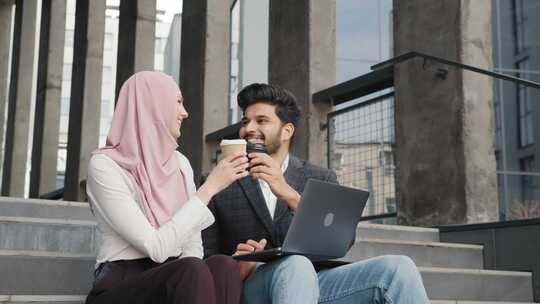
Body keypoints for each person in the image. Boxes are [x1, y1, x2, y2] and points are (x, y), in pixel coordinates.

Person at [202, 83, 430, 304]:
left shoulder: (320, 177)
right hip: (251, 287)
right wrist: (236, 265)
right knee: (295, 265)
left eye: (261, 120)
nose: (248, 128)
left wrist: (289, 194)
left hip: (315, 282)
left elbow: (344, 240)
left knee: (398, 268)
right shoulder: (220, 181)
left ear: (287, 130)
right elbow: (204, 258)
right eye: (246, 121)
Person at [85, 71, 249, 304]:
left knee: (223, 265)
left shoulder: (180, 163)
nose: (185, 112)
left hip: (179, 277)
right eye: (178, 102)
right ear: (153, 105)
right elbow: (156, 248)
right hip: (122, 284)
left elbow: (193, 248)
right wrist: (210, 187)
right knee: (190, 269)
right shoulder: (105, 166)